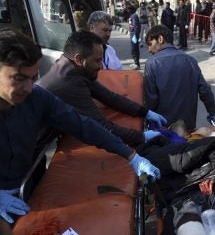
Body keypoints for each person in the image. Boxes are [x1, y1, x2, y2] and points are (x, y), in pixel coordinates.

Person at [0, 28, 160, 224]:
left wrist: (132, 156)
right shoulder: (64, 82)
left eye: (33, 78)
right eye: (19, 78)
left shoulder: (37, 97)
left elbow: (83, 125)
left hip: (26, 182)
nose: (28, 88)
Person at [36, 31, 167, 148]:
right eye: (97, 60)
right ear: (79, 59)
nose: (100, 66)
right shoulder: (69, 83)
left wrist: (145, 112)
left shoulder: (71, 66)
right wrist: (141, 137)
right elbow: (102, 128)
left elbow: (108, 97)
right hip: (29, 146)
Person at [144, 25, 215, 131]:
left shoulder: (152, 63)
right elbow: (205, 90)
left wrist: (147, 120)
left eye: (150, 44)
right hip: (188, 127)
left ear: (160, 39)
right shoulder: (190, 60)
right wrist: (211, 112)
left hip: (163, 128)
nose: (149, 49)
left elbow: (151, 99)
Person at [128, 5, 141, 70]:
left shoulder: (134, 16)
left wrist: (135, 35)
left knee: (134, 49)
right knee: (133, 49)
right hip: (132, 34)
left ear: (131, 10)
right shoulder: (132, 16)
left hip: (134, 35)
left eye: (129, 9)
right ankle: (135, 62)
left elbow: (136, 26)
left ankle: (137, 64)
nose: (128, 11)